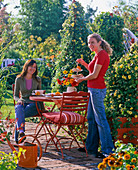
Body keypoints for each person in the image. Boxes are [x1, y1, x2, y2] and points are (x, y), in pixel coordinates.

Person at [76, 33, 114, 158]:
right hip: (93, 89)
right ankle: (91, 148)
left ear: (99, 42)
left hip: (97, 90)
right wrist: (84, 64)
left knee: (101, 120)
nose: (90, 45)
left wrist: (81, 79)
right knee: (91, 119)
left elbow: (95, 75)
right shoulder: (98, 55)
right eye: (89, 43)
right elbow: (92, 72)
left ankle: (108, 151)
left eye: (92, 42)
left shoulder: (102, 54)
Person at [14, 59, 44, 144]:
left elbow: (40, 95)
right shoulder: (19, 79)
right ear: (26, 67)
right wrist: (19, 100)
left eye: (34, 67)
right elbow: (15, 95)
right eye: (31, 66)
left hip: (34, 104)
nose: (33, 68)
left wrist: (42, 109)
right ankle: (21, 133)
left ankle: (19, 138)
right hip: (23, 102)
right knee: (18, 107)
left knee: (19, 114)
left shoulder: (37, 79)